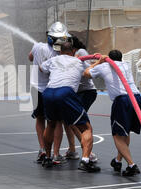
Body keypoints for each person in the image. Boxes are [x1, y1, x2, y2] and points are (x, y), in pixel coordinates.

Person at [40, 41, 100, 172]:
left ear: (60, 51)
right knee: (86, 128)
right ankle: (85, 161)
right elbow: (88, 73)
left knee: (50, 124)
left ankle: (48, 157)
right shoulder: (79, 62)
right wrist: (100, 61)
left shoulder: (53, 59)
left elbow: (41, 68)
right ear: (73, 51)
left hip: (49, 92)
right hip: (65, 92)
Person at [83, 49, 141, 176]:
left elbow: (86, 73)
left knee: (117, 135)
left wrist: (98, 62)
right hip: (137, 98)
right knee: (125, 132)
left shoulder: (104, 66)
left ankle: (132, 165)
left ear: (108, 59)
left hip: (123, 101)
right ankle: (118, 160)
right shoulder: (126, 65)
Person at [28, 21, 70, 165]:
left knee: (40, 118)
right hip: (51, 89)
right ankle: (55, 153)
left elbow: (30, 57)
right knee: (56, 121)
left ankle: (43, 149)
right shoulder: (59, 53)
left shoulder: (37, 46)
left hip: (36, 87)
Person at [63, 36, 99, 161]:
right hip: (77, 92)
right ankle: (72, 150)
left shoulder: (80, 53)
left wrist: (99, 62)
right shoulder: (66, 56)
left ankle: (88, 152)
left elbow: (88, 71)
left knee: (77, 121)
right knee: (67, 121)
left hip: (86, 91)